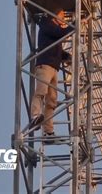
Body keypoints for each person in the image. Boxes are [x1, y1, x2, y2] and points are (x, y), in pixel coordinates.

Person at [29, 8, 74, 143]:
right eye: (61, 15)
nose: (63, 19)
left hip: (53, 67)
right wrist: (74, 25)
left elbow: (56, 45)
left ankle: (48, 132)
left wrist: (66, 56)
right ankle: (35, 116)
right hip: (45, 65)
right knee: (41, 92)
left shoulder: (54, 30)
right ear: (54, 16)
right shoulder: (47, 24)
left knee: (52, 100)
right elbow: (59, 33)